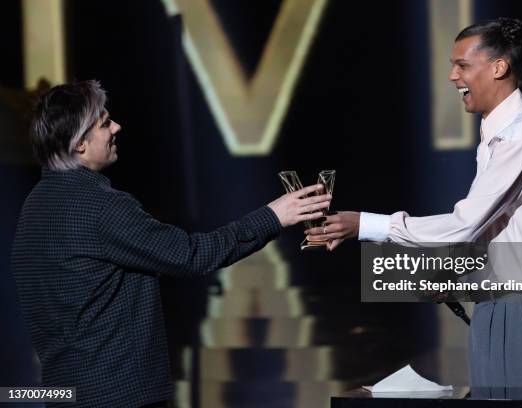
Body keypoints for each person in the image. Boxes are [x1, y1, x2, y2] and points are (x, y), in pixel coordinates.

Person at [10, 80, 331, 408]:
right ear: (79, 144)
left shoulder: (34, 205)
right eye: (105, 123)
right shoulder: (100, 206)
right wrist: (274, 216)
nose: (117, 127)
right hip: (120, 397)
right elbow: (192, 256)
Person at [306, 18, 522, 387]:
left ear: (499, 67)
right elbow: (502, 230)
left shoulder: (520, 133)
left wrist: (365, 224)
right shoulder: (503, 131)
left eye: (462, 65)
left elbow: (466, 223)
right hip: (506, 304)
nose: (452, 76)